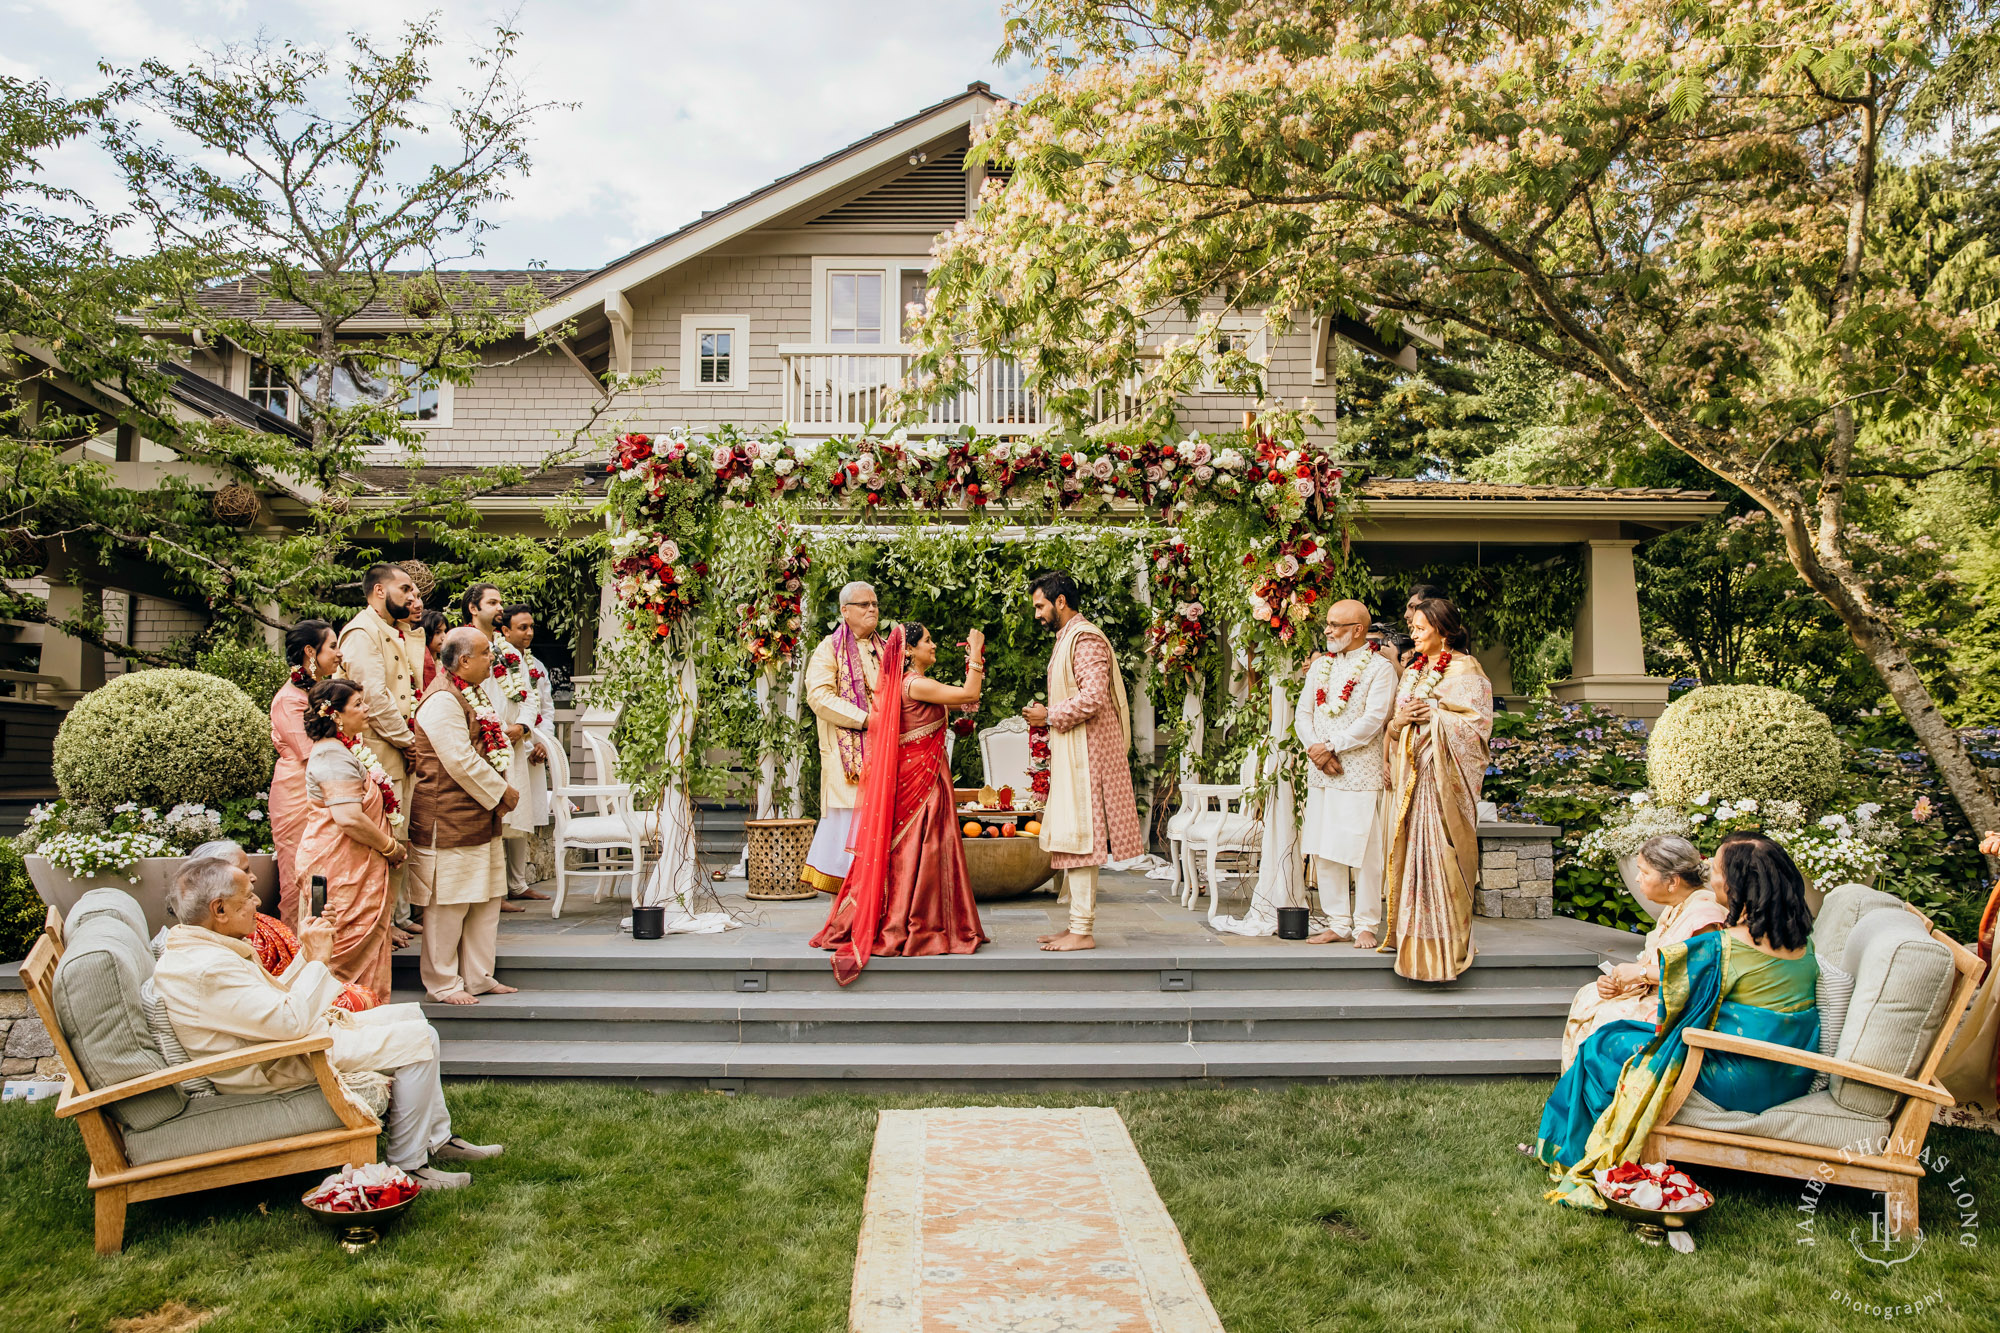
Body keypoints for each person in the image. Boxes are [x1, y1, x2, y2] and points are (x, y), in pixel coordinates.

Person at [152, 855, 500, 1190]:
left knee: (412, 1015)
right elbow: (288, 1022)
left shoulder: (208, 950)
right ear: (220, 909)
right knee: (419, 1039)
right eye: (247, 897)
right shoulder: (207, 967)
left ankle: (437, 1140)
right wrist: (318, 961)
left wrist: (306, 953)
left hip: (281, 1045)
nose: (257, 901)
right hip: (278, 1063)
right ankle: (409, 1167)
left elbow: (272, 1006)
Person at [1536, 833, 1820, 1208]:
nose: (1707, 874)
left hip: (1738, 1073)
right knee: (1620, 1034)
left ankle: (1575, 1152)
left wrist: (1632, 979)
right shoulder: (1799, 939)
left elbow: (1676, 1004)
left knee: (1604, 1046)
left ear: (1736, 884)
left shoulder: (1725, 945)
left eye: (1715, 869)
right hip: (1790, 1070)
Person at [811, 623, 989, 983]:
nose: (934, 644)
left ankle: (913, 920)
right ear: (908, 651)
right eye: (928, 641)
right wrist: (975, 651)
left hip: (922, 779)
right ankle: (915, 926)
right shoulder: (914, 684)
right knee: (920, 852)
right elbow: (970, 690)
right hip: (921, 785)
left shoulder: (901, 684)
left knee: (913, 854)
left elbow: (965, 699)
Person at [1022, 570, 1142, 953]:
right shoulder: (1067, 638)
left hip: (1088, 755)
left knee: (1082, 839)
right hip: (1075, 752)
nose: (1037, 613)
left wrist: (1048, 715)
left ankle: (1083, 929)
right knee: (1073, 837)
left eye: (1040, 605)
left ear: (1060, 601)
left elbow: (1093, 698)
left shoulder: (1085, 638)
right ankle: (1075, 923)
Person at [407, 627, 521, 1005]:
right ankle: (442, 983)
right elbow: (459, 759)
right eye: (487, 653)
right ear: (464, 661)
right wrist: (500, 791)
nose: (494, 658)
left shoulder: (471, 690)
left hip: (478, 814)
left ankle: (478, 977)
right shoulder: (442, 698)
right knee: (449, 904)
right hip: (449, 816)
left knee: (486, 898)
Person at [1381, 595, 1492, 982]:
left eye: (1421, 628)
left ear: (1443, 632)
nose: (1413, 632)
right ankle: (1412, 944)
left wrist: (1435, 714)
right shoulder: (1413, 672)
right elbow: (1394, 727)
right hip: (1411, 775)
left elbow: (1476, 728)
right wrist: (1399, 722)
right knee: (1413, 857)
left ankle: (1446, 948)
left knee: (1441, 857)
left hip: (1442, 781)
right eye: (1412, 627)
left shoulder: (1466, 669)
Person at [1559, 835, 1728, 1070]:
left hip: (1681, 1010)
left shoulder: (1704, 916)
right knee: (1591, 995)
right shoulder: (1676, 907)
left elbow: (1699, 978)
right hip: (1658, 994)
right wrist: (1618, 984)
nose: (1638, 879)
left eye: (1645, 873)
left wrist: (1639, 974)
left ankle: (1607, 1094)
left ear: (1672, 881)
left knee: (1609, 1016)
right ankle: (1580, 1092)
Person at [1295, 600, 1398, 948]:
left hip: (1359, 772)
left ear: (1357, 629)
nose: (1327, 630)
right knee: (1325, 848)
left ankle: (1366, 923)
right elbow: (1302, 715)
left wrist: (1331, 746)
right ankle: (1338, 921)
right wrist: (1317, 751)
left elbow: (1374, 720)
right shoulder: (1319, 667)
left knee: (1362, 849)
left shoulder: (1380, 669)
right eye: (1327, 623)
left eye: (1335, 625)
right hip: (1323, 771)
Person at [298, 678, 408, 1003]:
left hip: (353, 865)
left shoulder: (340, 750)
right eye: (358, 704)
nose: (366, 709)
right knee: (337, 952)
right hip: (338, 871)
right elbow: (348, 818)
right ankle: (338, 1029)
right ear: (335, 715)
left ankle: (367, 1022)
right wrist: (391, 847)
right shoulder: (332, 757)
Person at [184, 840, 376, 1012]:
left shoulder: (236, 929)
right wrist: (317, 959)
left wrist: (311, 948)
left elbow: (273, 989)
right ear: (219, 909)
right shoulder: (216, 961)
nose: (254, 878)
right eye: (244, 871)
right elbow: (287, 1016)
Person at [339, 564, 422, 947]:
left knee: (398, 832)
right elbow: (371, 695)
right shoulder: (361, 631)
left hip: (396, 745)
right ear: (378, 591)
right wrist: (408, 740)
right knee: (384, 836)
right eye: (404, 588)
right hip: (378, 747)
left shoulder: (393, 630)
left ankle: (393, 919)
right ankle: (378, 928)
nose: (411, 596)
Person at [800, 582, 886, 893]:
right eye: (864, 604)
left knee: (879, 828)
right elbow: (820, 697)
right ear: (844, 611)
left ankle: (874, 899)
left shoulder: (885, 648)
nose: (872, 609)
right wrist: (867, 720)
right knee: (851, 829)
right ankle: (850, 903)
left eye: (874, 603)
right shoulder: (829, 648)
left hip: (885, 754)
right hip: (848, 760)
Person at [270, 618, 339, 927]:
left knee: (326, 870)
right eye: (333, 646)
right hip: (297, 791)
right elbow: (310, 752)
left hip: (324, 787)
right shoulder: (289, 700)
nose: (340, 654)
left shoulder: (321, 692)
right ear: (311, 651)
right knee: (298, 873)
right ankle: (293, 953)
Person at [492, 604, 553, 906]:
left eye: (531, 627)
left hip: (531, 747)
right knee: (504, 819)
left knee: (522, 820)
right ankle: (498, 889)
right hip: (507, 746)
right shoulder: (493, 660)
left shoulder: (537, 666)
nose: (529, 633)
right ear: (505, 630)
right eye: (522, 627)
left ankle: (517, 884)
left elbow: (546, 709)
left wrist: (544, 741)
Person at [419, 610, 448, 690]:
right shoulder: (417, 665)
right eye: (438, 632)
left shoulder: (444, 664)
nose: (444, 637)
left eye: (445, 631)